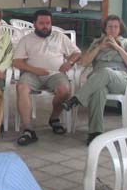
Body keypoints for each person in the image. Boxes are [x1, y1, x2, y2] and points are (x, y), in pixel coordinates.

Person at [62, 15, 127, 145]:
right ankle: (95, 133)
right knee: (99, 92)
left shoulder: (125, 43)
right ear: (105, 28)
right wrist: (99, 48)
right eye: (110, 27)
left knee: (106, 72)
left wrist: (118, 48)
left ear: (120, 29)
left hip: (119, 79)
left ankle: (77, 99)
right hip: (98, 81)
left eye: (116, 27)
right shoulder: (97, 42)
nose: (112, 30)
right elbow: (84, 63)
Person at [13, 9, 81, 146]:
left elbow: (77, 52)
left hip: (55, 74)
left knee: (64, 91)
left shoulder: (60, 37)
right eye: (42, 23)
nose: (46, 26)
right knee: (21, 87)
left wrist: (69, 62)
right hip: (32, 73)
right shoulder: (26, 39)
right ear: (34, 24)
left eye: (48, 23)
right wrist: (34, 70)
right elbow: (17, 61)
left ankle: (54, 118)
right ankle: (28, 128)